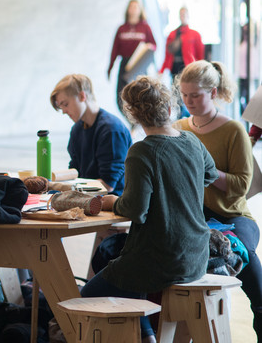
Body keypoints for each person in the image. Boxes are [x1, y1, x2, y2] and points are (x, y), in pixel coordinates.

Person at [83, 76, 217, 343]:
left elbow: (135, 210)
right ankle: (146, 336)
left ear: (132, 114)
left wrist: (111, 202)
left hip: (162, 257)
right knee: (122, 266)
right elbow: (210, 174)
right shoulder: (191, 141)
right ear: (169, 107)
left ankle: (144, 335)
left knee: (89, 293)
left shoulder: (142, 151)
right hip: (196, 254)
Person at [174, 60, 262, 338]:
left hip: (233, 215)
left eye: (195, 95)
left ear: (213, 93)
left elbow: (240, 186)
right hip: (194, 216)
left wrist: (205, 171)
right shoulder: (178, 128)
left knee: (244, 261)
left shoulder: (233, 130)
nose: (188, 101)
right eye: (184, 95)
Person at [50, 74, 132, 194]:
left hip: (111, 199)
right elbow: (74, 171)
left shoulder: (111, 130)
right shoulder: (76, 129)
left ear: (82, 96)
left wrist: (65, 188)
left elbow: (108, 184)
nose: (64, 112)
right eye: (61, 107)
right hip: (87, 195)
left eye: (65, 104)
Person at [108, 0, 157, 115]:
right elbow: (114, 49)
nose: (133, 9)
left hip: (139, 65)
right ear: (128, 10)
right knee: (121, 97)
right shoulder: (121, 28)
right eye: (131, 7)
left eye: (136, 7)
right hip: (125, 65)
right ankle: (132, 122)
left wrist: (149, 47)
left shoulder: (145, 27)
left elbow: (154, 45)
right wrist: (110, 68)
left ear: (140, 10)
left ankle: (142, 121)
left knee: (141, 97)